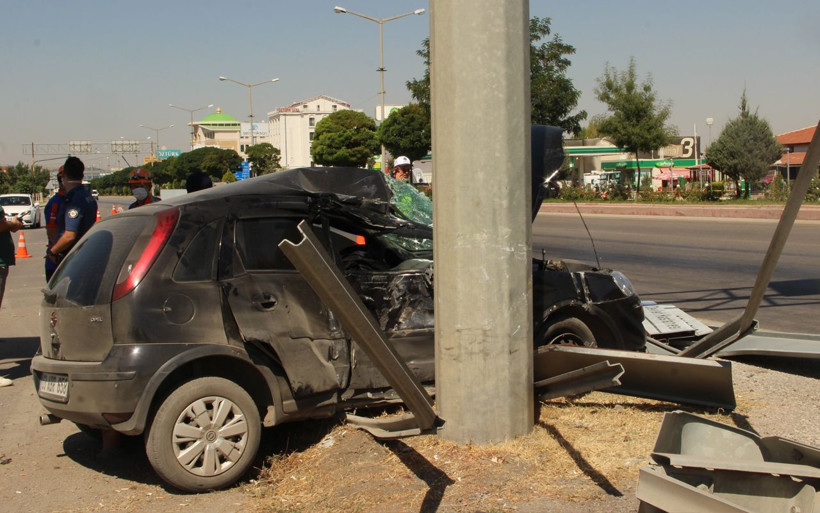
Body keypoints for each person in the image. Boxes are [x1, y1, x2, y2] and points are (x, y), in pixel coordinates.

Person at [47, 157, 97, 268]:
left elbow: (69, 236)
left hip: (73, 258)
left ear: (63, 176)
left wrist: (53, 251)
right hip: (85, 253)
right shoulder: (87, 196)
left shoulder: (73, 200)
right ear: (82, 176)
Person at [43, 166, 66, 281]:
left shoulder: (78, 199)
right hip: (57, 262)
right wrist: (59, 251)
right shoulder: (55, 203)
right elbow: (52, 232)